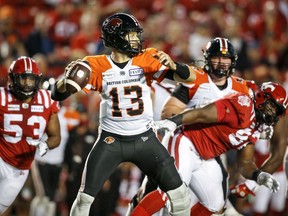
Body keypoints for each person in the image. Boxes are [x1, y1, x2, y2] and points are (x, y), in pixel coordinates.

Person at [51, 13, 196, 216]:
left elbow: (191, 78)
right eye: (131, 35)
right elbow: (57, 94)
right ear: (116, 38)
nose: (136, 39)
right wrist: (64, 81)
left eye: (136, 35)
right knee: (84, 199)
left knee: (180, 196)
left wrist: (175, 65)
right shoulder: (95, 65)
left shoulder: (148, 57)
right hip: (111, 141)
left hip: (145, 139)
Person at [127, 37, 249, 216]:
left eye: (226, 58)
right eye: (216, 57)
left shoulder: (242, 88)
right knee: (169, 192)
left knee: (216, 203)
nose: (221, 62)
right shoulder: (196, 80)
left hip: (211, 150)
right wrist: (198, 115)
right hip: (184, 143)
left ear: (233, 61)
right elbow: (168, 113)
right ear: (207, 59)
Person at [150, 81, 287, 216]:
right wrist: (174, 121)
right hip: (187, 141)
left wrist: (258, 176)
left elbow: (245, 163)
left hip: (206, 155)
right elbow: (202, 113)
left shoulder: (258, 127)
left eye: (276, 110)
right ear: (261, 97)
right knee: (173, 193)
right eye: (271, 106)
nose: (272, 112)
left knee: (215, 204)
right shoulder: (243, 105)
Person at [0, 56, 61, 215]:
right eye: (23, 79)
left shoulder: (47, 99)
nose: (27, 84)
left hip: (19, 168)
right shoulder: (2, 97)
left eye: (31, 80)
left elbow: (55, 136)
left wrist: (45, 145)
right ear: (12, 79)